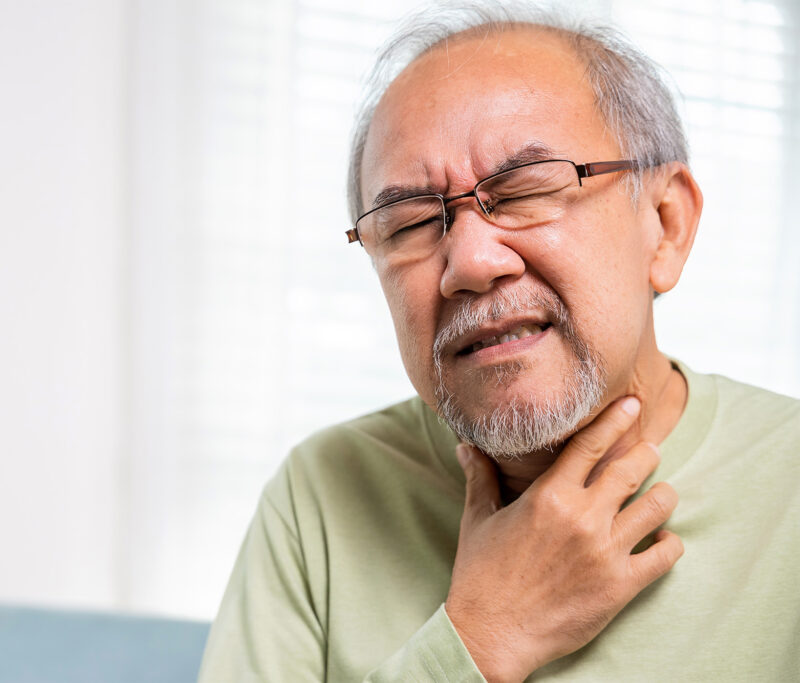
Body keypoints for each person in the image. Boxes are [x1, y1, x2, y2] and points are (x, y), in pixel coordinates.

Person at [198, 4, 800, 681]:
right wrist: (483, 638)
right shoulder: (323, 494)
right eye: (410, 223)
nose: (471, 262)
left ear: (664, 224)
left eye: (521, 189)